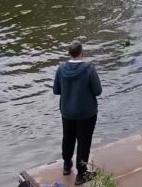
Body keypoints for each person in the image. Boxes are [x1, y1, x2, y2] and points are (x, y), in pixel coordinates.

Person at [53, 40, 102, 184]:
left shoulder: (61, 69)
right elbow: (98, 91)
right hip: (86, 113)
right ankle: (81, 175)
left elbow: (56, 90)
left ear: (69, 53)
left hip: (67, 112)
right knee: (83, 142)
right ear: (82, 52)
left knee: (67, 138)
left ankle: (67, 165)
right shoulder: (89, 69)